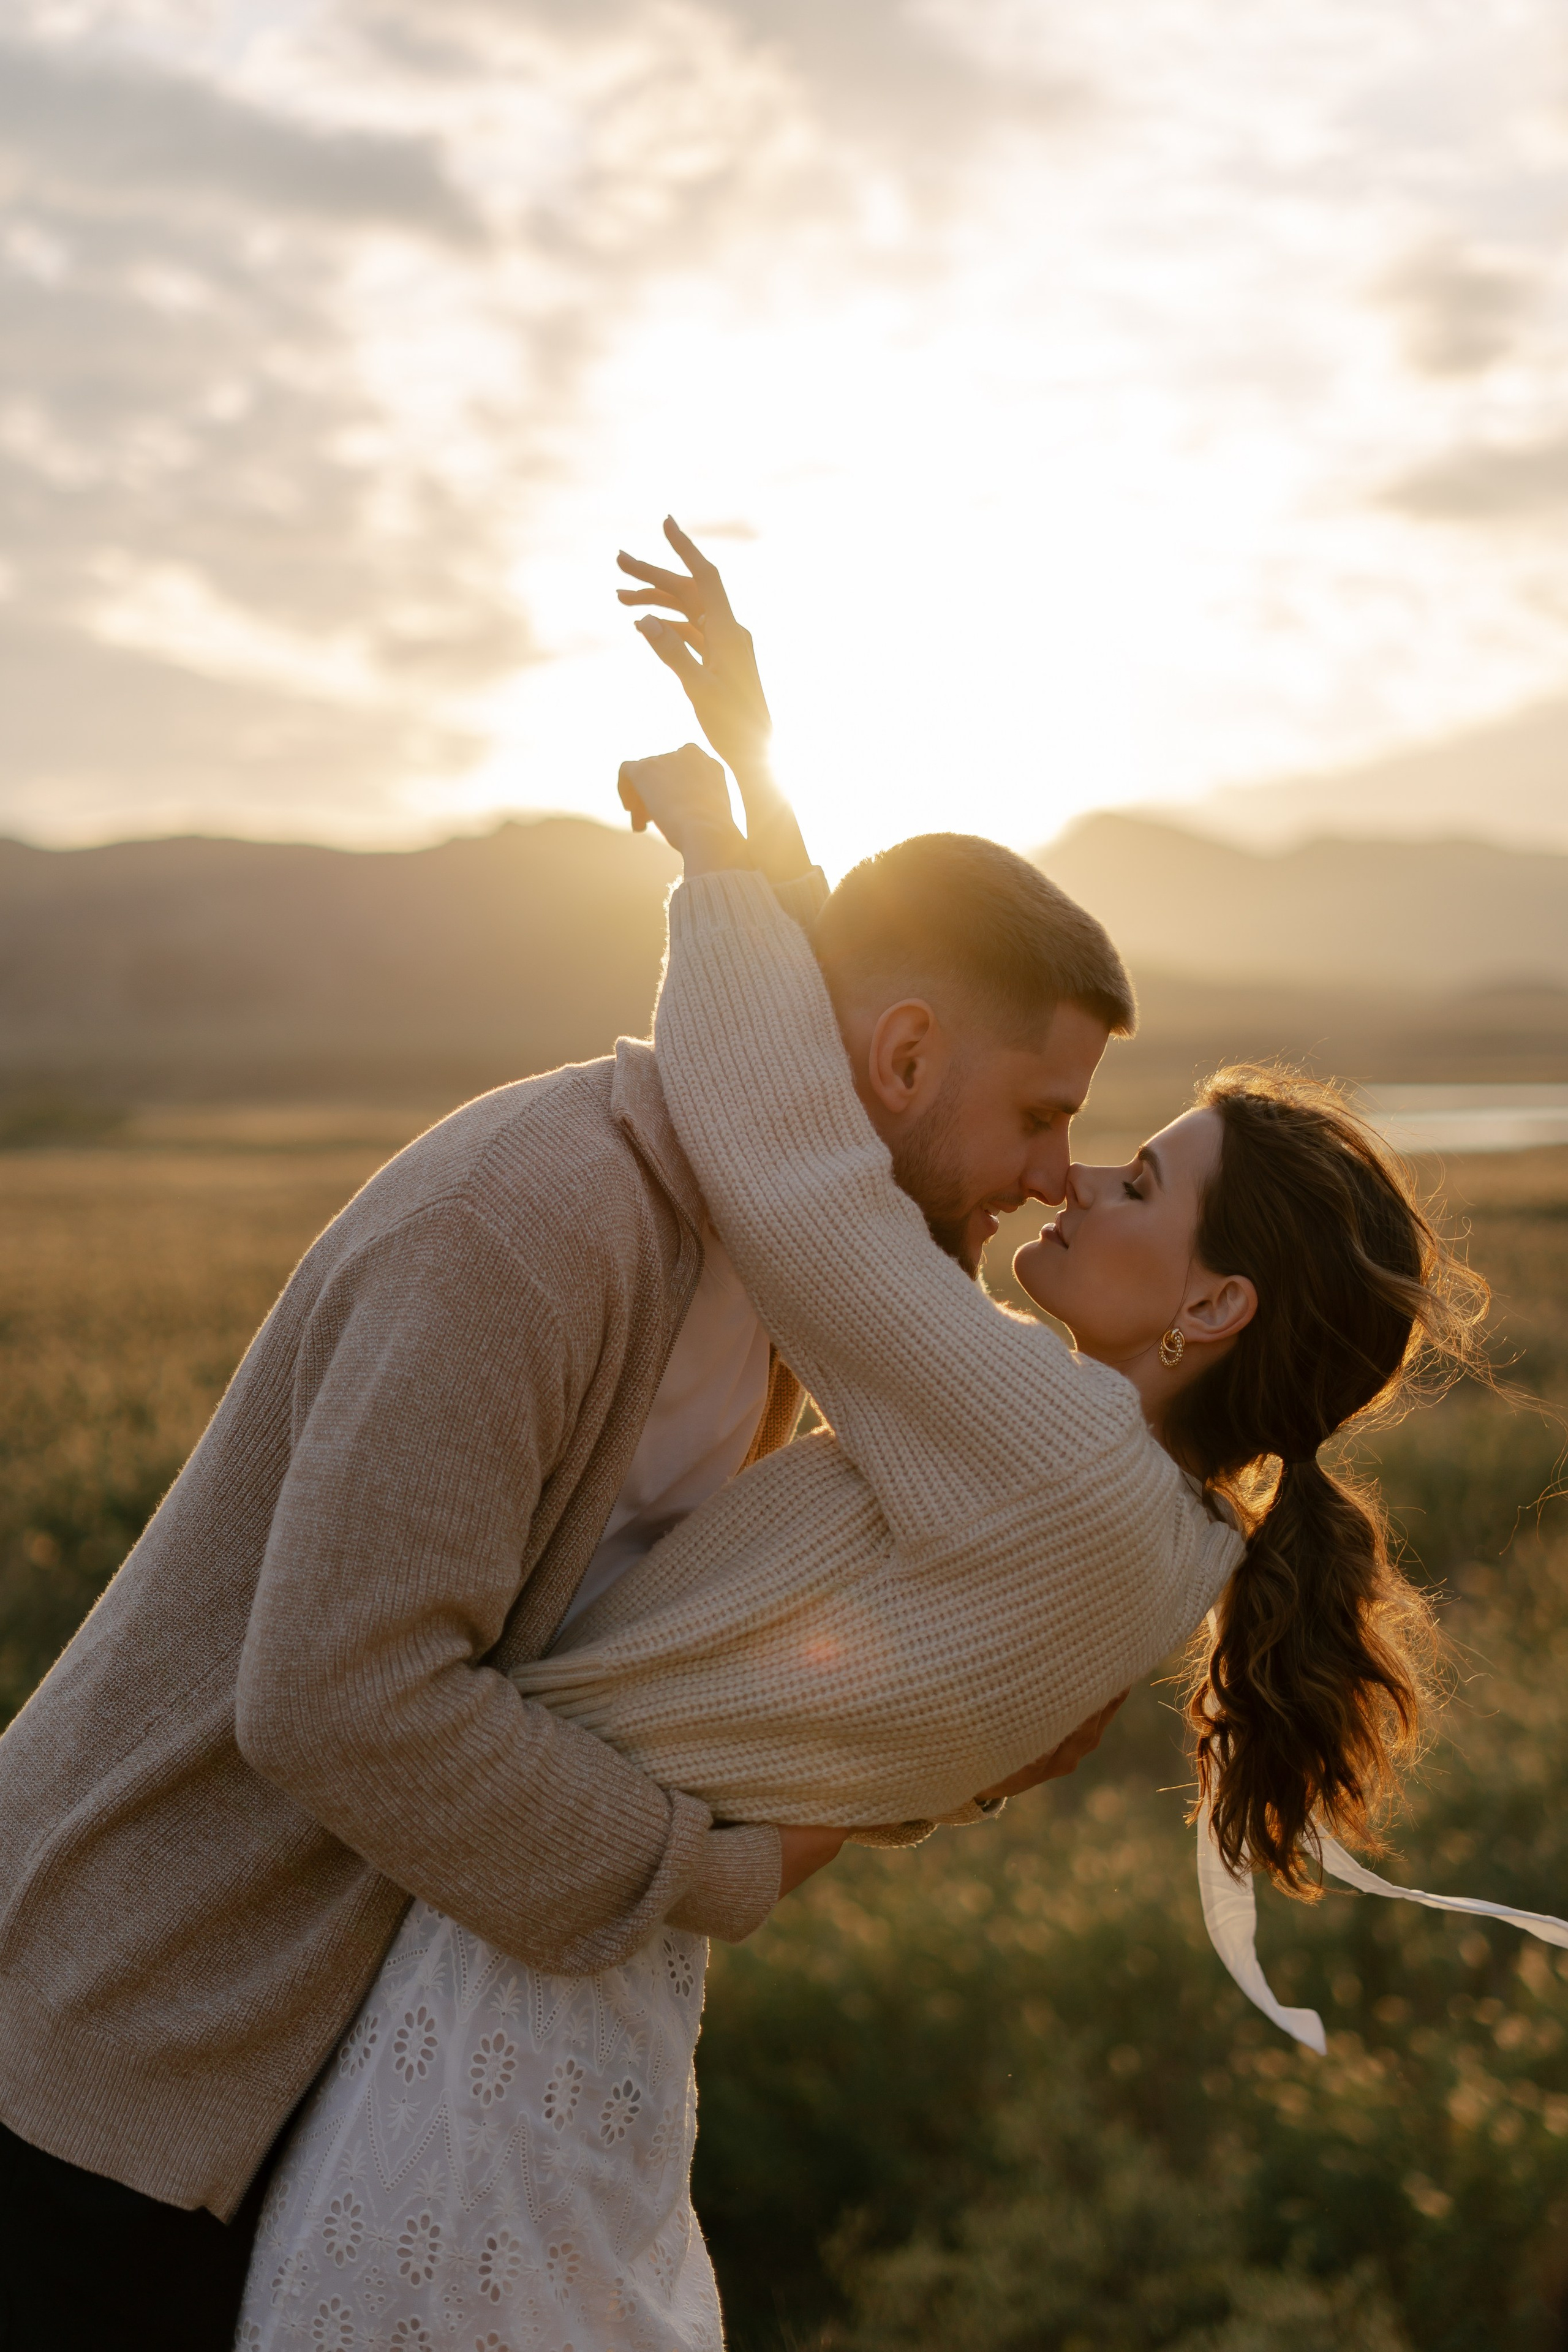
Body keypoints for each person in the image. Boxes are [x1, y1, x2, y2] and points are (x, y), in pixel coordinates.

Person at [233, 671, 1479, 2346]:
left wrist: (715, 849)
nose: (1070, 1176)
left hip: (496, 1981)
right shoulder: (1166, 1557)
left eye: (1132, 1180)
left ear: (1214, 1310)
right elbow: (875, 1128)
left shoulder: (1052, 1449)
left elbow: (804, 1171)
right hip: (598, 1982)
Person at [0, 541, 1141, 2350]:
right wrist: (719, 1871)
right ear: (908, 1058)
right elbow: (341, 1697)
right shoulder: (533, 1226)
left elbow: (809, 1015)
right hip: (119, 2063)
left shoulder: (788, 1259)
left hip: (326, 2074)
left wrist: (762, 784)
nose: (1057, 1177)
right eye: (1046, 1114)